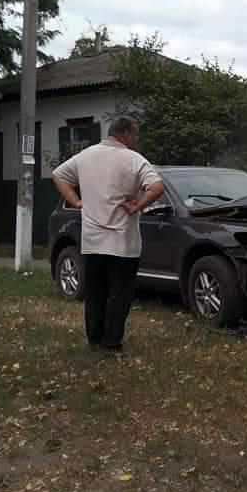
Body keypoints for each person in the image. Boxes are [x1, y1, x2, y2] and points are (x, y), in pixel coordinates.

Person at [52, 116, 164, 352]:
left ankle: (94, 340)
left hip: (92, 241)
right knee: (119, 294)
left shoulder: (85, 156)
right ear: (125, 134)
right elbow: (157, 187)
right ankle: (111, 342)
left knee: (95, 293)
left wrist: (76, 201)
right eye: (135, 135)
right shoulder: (134, 160)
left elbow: (59, 175)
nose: (136, 140)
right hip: (123, 242)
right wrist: (137, 206)